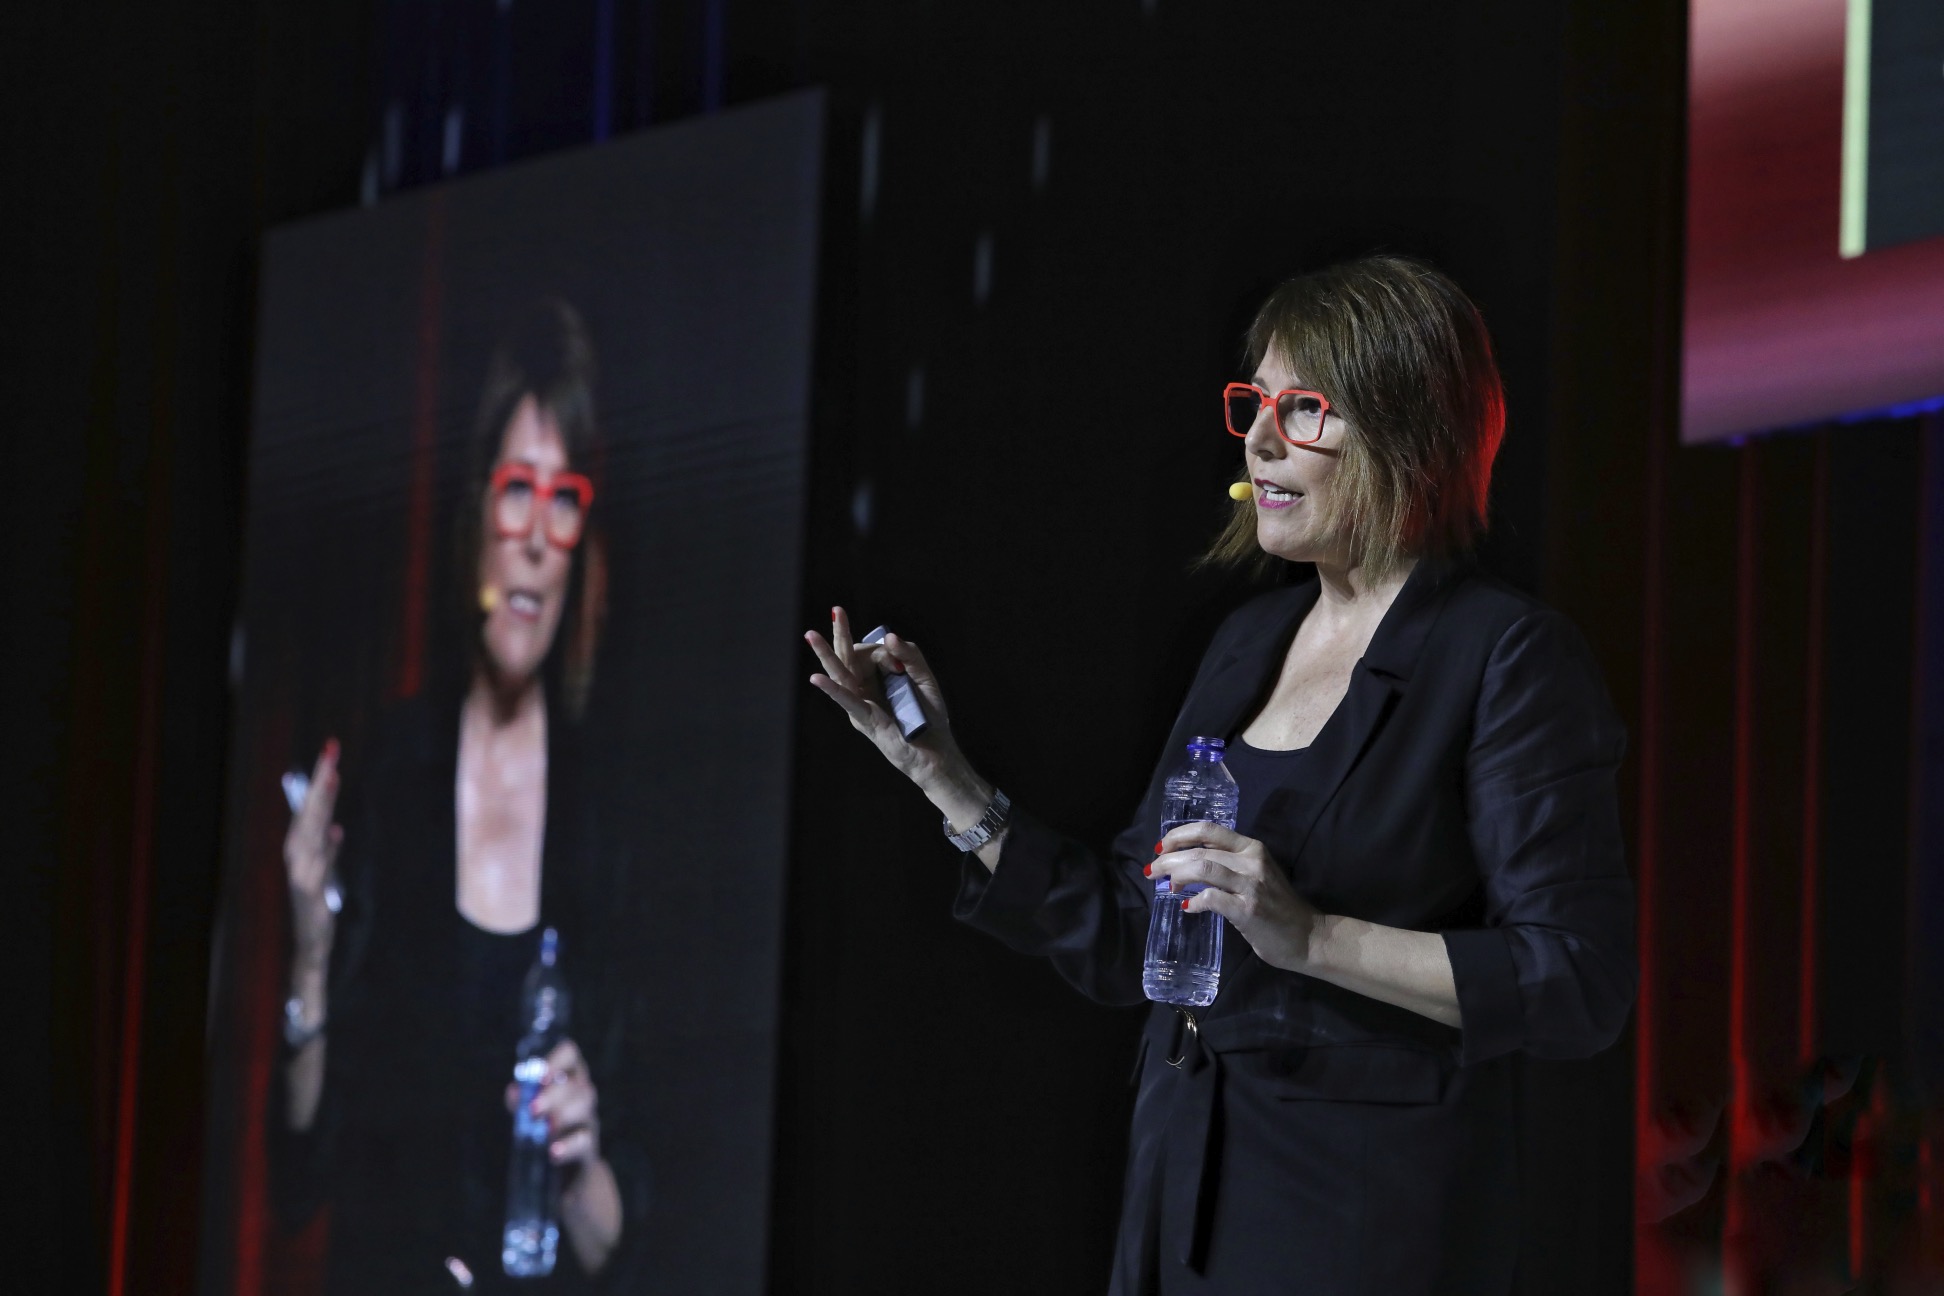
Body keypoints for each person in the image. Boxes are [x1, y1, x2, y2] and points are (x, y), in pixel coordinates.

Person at [805, 255, 1636, 1294]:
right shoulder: (1248, 644)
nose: (1260, 439)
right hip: (1181, 1207)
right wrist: (944, 777)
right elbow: (1134, 938)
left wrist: (1313, 937)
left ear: (1411, 433)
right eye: (1257, 403)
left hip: (1363, 1228)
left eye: (1307, 408)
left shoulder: (1503, 657)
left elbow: (1573, 981)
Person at [273, 300, 647, 1292]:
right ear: (475, 512)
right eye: (515, 490)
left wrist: (581, 1161)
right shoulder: (390, 772)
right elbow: (300, 1176)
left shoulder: (610, 819)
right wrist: (309, 951)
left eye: (563, 500)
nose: (534, 538)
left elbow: (618, 1247)